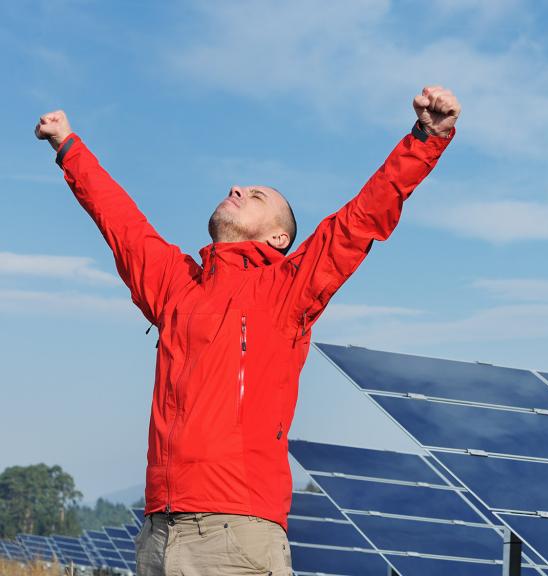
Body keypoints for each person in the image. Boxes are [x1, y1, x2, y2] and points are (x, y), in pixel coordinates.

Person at [34, 86, 460, 575]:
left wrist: (427, 137)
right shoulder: (177, 286)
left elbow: (359, 220)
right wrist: (68, 145)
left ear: (279, 237)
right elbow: (122, 222)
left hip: (235, 532)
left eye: (256, 196)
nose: (236, 188)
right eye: (239, 187)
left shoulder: (287, 291)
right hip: (158, 533)